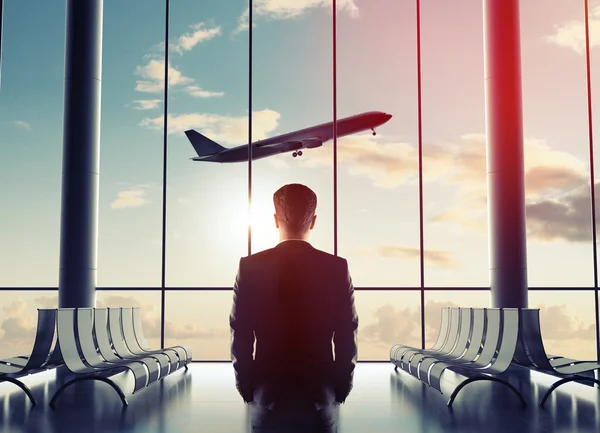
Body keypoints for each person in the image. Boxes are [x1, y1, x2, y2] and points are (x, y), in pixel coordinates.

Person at [230, 183, 359, 433]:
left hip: (267, 395)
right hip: (320, 396)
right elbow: (346, 331)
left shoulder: (250, 266)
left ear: (276, 219)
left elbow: (241, 331)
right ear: (313, 221)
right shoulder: (336, 267)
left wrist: (246, 387)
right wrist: (342, 387)